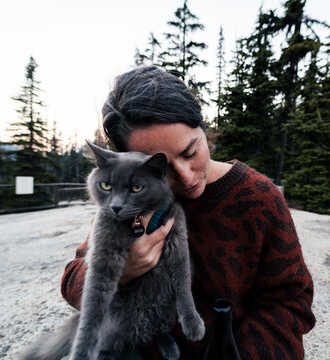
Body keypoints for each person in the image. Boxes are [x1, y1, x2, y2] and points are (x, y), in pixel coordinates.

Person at [61, 66, 316, 359]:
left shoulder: (258, 198)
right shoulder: (130, 205)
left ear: (203, 130)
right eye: (162, 168)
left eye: (191, 153)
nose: (185, 176)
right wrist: (123, 271)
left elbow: (290, 301)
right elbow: (72, 281)